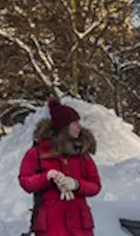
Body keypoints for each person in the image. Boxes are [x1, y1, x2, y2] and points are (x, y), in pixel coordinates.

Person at [18, 97, 101, 236]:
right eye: (74, 123)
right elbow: (25, 182)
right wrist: (47, 177)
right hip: (51, 226)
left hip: (80, 228)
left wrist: (76, 184)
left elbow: (95, 186)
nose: (78, 127)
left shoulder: (83, 155)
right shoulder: (37, 153)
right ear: (63, 127)